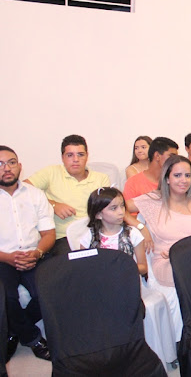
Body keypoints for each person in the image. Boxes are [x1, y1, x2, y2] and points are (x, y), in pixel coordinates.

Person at [134, 155, 191, 340]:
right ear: (167, 178)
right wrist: (141, 227)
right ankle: (183, 339)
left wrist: (182, 253)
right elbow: (117, 206)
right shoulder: (153, 200)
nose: (183, 180)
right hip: (165, 262)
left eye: (187, 175)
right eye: (177, 175)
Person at [0, 146, 54, 361]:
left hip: (34, 255)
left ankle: (13, 332)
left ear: (19, 166)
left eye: (11, 162)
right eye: (0, 164)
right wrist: (7, 257)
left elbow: (48, 234)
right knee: (7, 297)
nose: (7, 168)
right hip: (2, 258)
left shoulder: (35, 195)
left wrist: (37, 252)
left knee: (48, 291)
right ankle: (33, 338)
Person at [26, 135, 110, 256]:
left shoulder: (101, 178)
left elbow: (108, 209)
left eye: (80, 155)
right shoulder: (51, 172)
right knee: (74, 264)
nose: (76, 159)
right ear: (62, 157)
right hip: (63, 238)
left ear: (87, 156)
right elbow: (23, 191)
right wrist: (53, 205)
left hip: (94, 235)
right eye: (70, 155)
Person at [81, 187, 148, 275]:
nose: (121, 212)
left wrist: (125, 268)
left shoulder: (132, 234)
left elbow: (143, 267)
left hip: (124, 279)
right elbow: (82, 265)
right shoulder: (89, 236)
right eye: (113, 208)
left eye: (122, 205)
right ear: (98, 215)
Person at [123, 137, 179, 205]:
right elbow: (126, 210)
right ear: (157, 156)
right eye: (172, 156)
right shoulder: (133, 183)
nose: (175, 160)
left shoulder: (175, 181)